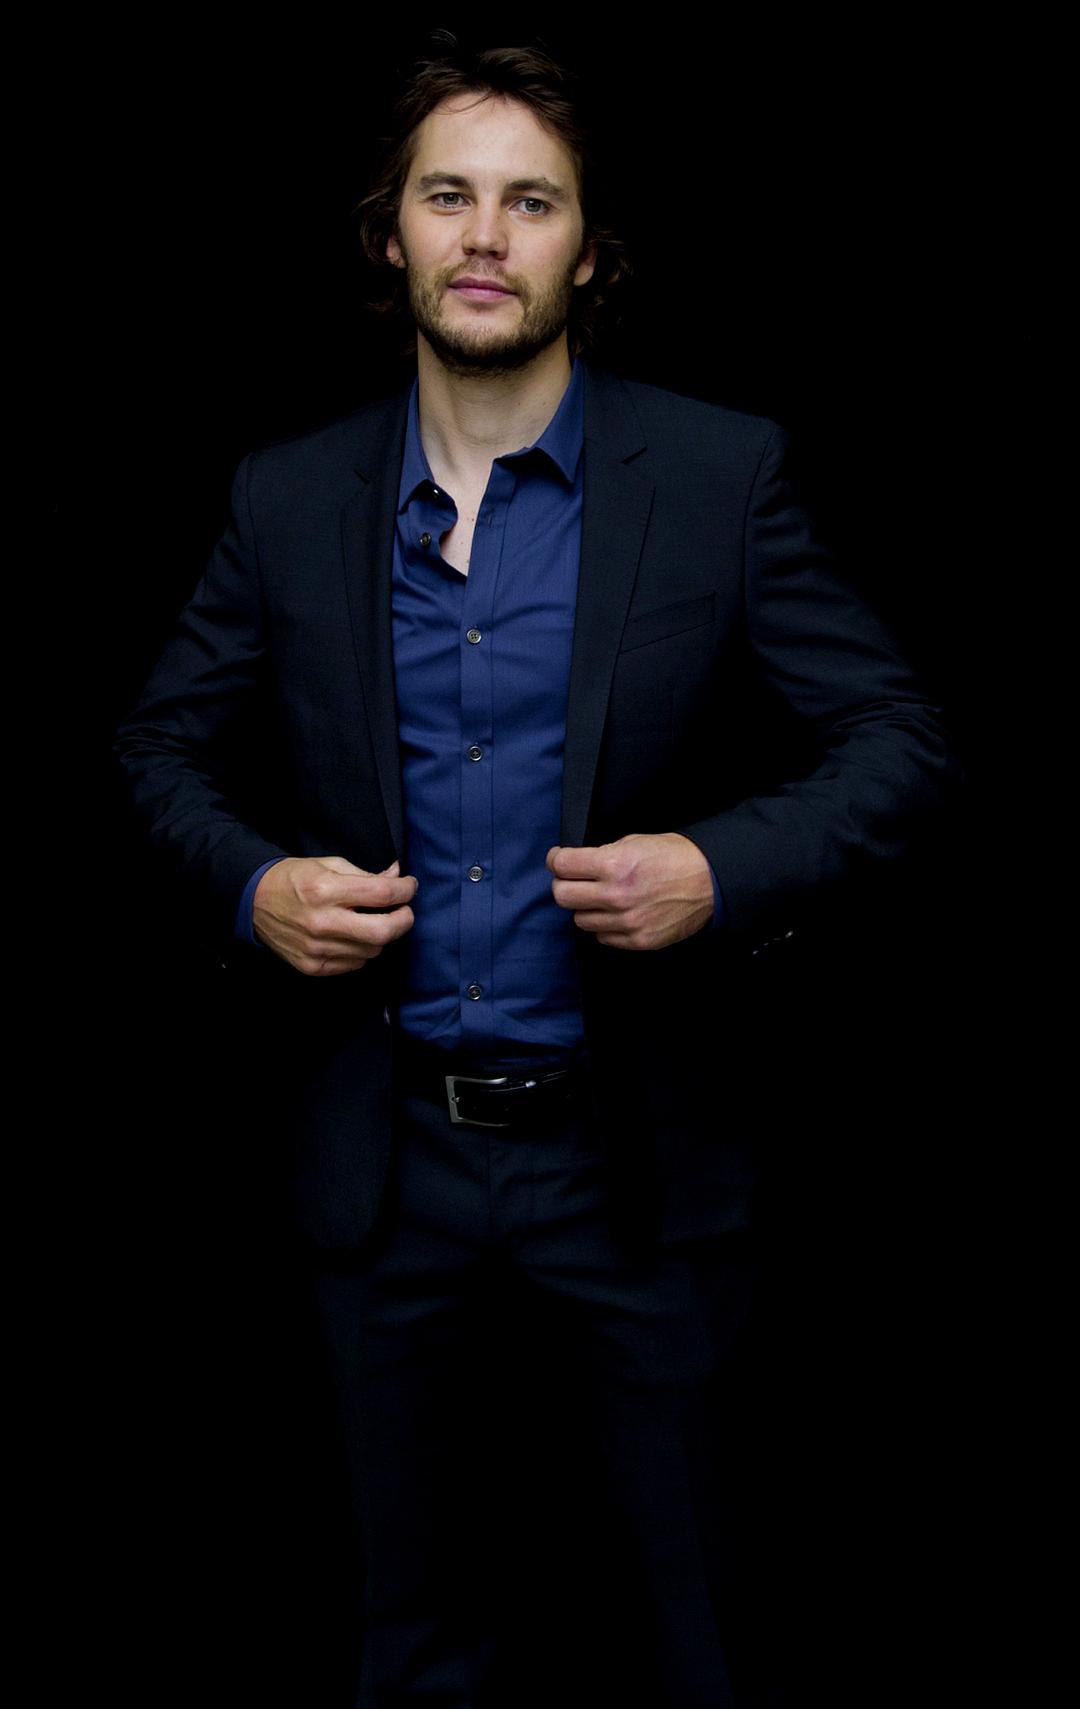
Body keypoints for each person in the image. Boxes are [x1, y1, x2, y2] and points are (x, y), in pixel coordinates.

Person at [115, 38, 956, 1709]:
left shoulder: (717, 475)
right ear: (394, 237)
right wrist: (255, 887)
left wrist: (719, 865)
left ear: (589, 248)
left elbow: (900, 736)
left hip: (638, 1164)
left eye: (532, 201)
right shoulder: (285, 498)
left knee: (697, 1638)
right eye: (449, 196)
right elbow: (155, 751)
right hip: (383, 1169)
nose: (487, 235)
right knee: (407, 1641)